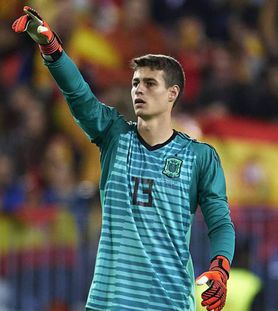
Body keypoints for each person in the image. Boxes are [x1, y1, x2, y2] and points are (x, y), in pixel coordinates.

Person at [12, 6, 235, 311]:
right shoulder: (114, 137)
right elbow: (78, 94)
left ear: (173, 93)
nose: (138, 90)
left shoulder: (199, 156)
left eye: (149, 83)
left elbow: (220, 222)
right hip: (109, 303)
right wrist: (52, 48)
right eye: (135, 83)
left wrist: (220, 268)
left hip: (168, 303)